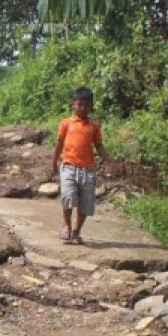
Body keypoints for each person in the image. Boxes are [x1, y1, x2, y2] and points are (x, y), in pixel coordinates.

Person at [50, 87, 110, 245]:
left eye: (86, 105)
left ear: (91, 106)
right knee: (68, 197)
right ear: (73, 105)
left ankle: (77, 232)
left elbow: (99, 146)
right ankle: (67, 227)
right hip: (69, 167)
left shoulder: (94, 127)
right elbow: (59, 144)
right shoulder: (66, 124)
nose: (83, 108)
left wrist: (110, 161)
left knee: (85, 202)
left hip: (87, 170)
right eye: (79, 104)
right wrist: (54, 161)